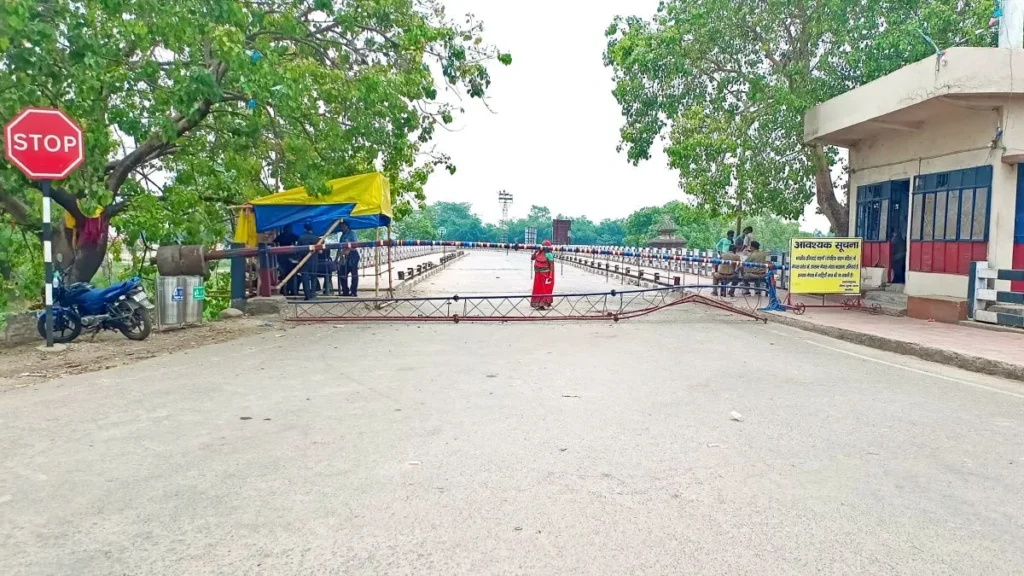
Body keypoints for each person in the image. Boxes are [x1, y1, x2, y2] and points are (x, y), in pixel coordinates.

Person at [296, 222, 320, 300]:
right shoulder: (316, 238)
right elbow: (320, 251)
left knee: (305, 278)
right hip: (314, 260)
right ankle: (313, 293)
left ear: (304, 229)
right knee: (313, 277)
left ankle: (307, 295)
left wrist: (298, 260)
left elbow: (298, 250)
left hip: (304, 260)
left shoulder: (301, 238)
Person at [335, 221, 360, 297]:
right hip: (344, 256)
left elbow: (355, 244)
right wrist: (336, 259)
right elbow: (339, 248)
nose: (341, 228)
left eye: (343, 226)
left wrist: (348, 250)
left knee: (354, 274)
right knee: (341, 273)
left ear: (346, 226)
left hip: (353, 255)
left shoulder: (352, 233)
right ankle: (345, 291)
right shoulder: (342, 236)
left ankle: (353, 291)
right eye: (340, 227)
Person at [274, 226, 299, 296]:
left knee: (283, 275)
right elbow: (298, 240)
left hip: (281, 257)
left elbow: (274, 242)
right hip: (291, 256)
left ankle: (284, 291)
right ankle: (293, 291)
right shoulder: (293, 236)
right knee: (292, 275)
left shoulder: (280, 236)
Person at [531, 240, 555, 309]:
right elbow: (532, 258)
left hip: (546, 274)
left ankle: (544, 303)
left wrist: (550, 276)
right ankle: (537, 302)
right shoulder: (538, 252)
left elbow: (551, 266)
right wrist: (535, 252)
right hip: (537, 275)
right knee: (537, 288)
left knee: (545, 289)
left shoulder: (549, 254)